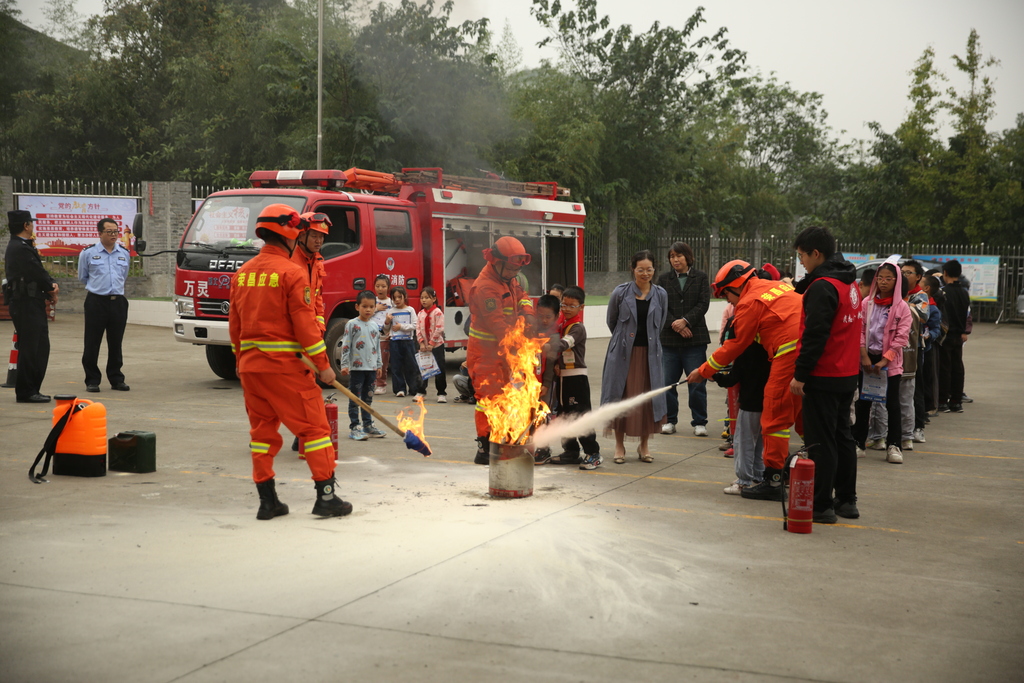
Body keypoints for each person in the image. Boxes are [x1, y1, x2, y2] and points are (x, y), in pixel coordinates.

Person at [228, 203, 352, 519]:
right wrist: (324, 366)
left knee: (262, 435)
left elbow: (235, 328)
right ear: (288, 234)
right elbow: (306, 327)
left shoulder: (241, 275)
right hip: (285, 368)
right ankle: (326, 498)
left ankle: (268, 502)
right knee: (315, 430)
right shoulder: (292, 273)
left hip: (251, 369)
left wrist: (243, 363)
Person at [687, 260, 802, 502]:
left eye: (726, 295)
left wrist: (704, 370)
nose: (728, 302)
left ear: (735, 286)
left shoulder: (749, 302)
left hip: (789, 352)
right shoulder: (777, 287)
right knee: (803, 418)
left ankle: (772, 481)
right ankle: (815, 471)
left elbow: (735, 345)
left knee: (774, 418)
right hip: (809, 352)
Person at [790, 226, 862, 523]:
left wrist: (801, 374)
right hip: (847, 372)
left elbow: (815, 335)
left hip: (824, 373)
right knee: (842, 436)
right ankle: (846, 500)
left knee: (821, 441)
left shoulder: (823, 286)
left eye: (802, 256)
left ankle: (821, 505)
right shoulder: (848, 280)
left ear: (816, 253)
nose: (801, 262)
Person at [466, 236, 536, 464]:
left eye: (518, 269)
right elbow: (499, 327)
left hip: (502, 353)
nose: (514, 274)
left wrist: (528, 315)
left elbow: (523, 297)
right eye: (512, 268)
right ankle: (485, 447)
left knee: (506, 397)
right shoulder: (485, 287)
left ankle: (500, 438)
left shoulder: (508, 279)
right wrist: (521, 346)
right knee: (487, 399)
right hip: (486, 354)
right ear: (497, 261)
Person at [601, 250, 668, 464]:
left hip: (649, 356)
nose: (645, 273)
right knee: (622, 397)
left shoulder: (661, 294)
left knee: (647, 400)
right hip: (623, 356)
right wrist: (623, 341)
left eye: (649, 269)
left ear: (654, 270)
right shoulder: (620, 293)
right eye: (641, 269)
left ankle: (644, 445)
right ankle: (619, 446)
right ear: (633, 269)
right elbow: (612, 321)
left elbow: (662, 322)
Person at [852, 261, 911, 464]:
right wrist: (864, 357)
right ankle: (858, 443)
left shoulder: (902, 307)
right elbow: (859, 330)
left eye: (889, 278)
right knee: (863, 402)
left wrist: (885, 360)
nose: (884, 282)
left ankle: (894, 445)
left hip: (890, 363)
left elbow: (901, 339)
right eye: (881, 278)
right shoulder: (866, 303)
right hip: (867, 360)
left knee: (892, 404)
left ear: (897, 281)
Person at [3, 210, 58, 403]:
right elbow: (36, 272)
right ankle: (26, 391)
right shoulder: (19, 248)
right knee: (31, 349)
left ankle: (32, 388)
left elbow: (39, 271)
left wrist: (51, 284)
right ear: (26, 225)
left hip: (31, 302)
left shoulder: (22, 246)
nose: (33, 226)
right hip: (25, 303)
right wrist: (51, 288)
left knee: (39, 347)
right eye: (31, 223)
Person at [657, 241, 711, 437]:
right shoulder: (663, 280)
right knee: (668, 383)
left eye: (679, 256)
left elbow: (703, 303)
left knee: (697, 383)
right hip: (670, 340)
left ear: (688, 257)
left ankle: (699, 422)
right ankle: (669, 420)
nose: (675, 259)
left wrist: (686, 321)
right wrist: (677, 325)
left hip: (694, 340)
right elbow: (660, 306)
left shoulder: (701, 278)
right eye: (672, 256)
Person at [711, 315, 769, 495]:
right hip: (766, 402)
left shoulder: (745, 352)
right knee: (759, 441)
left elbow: (731, 380)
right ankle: (759, 476)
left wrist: (712, 374)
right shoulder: (767, 348)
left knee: (743, 442)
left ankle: (743, 480)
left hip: (749, 404)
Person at [549, 286, 602, 470]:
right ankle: (571, 451)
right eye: (564, 304)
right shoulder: (562, 324)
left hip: (576, 379)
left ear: (582, 307)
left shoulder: (577, 328)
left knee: (580, 417)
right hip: (563, 379)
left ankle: (593, 454)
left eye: (572, 306)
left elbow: (566, 343)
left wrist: (548, 344)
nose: (566, 308)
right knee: (564, 416)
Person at [77, 218, 131, 393]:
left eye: (115, 231)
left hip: (118, 302)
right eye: (109, 232)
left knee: (116, 342)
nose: (113, 235)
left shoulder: (124, 253)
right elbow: (82, 276)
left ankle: (116, 378)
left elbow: (124, 275)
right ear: (99, 233)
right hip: (96, 302)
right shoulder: (88, 253)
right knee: (92, 342)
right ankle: (92, 380)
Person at [340, 290, 386, 441]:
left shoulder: (374, 326)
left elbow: (377, 346)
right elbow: (346, 345)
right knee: (355, 398)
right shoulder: (352, 324)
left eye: (371, 307)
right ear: (357, 307)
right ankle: (355, 427)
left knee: (368, 398)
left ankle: (368, 425)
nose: (368, 310)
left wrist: (379, 365)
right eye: (364, 306)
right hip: (357, 368)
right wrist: (345, 364)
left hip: (371, 369)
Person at [938, 260, 970, 414]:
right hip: (959, 335)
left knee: (944, 368)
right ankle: (956, 401)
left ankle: (943, 400)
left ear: (945, 273)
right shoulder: (964, 292)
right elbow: (967, 314)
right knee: (957, 367)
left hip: (946, 335)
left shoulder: (944, 292)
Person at [292, 212, 330, 334]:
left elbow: (317, 297)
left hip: (311, 329)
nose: (319, 241)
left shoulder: (317, 262)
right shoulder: (289, 261)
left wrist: (320, 327)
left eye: (322, 237)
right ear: (301, 236)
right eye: (314, 236)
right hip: (293, 329)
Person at [384, 285, 423, 398]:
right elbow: (386, 329)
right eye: (394, 297)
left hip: (408, 342)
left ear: (405, 297)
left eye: (399, 297)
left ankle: (413, 388)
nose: (397, 300)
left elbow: (415, 325)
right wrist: (387, 321)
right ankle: (399, 389)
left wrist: (401, 326)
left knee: (411, 365)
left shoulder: (410, 310)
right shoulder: (390, 311)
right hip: (395, 342)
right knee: (396, 366)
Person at [417, 286, 447, 403]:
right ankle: (421, 391)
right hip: (424, 346)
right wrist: (421, 342)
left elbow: (439, 328)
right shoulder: (420, 313)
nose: (424, 300)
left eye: (427, 298)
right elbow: (418, 328)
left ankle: (441, 393)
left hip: (437, 345)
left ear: (434, 299)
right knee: (424, 368)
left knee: (439, 369)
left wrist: (432, 343)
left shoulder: (437, 312)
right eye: (422, 298)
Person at [371, 275, 392, 395]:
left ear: (388, 287)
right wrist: (375, 308)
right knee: (370, 361)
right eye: (377, 286)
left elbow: (396, 317)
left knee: (382, 362)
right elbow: (364, 314)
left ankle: (381, 384)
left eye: (383, 286)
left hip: (384, 337)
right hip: (371, 337)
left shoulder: (391, 302)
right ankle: (371, 383)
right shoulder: (372, 301)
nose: (380, 289)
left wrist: (392, 332)